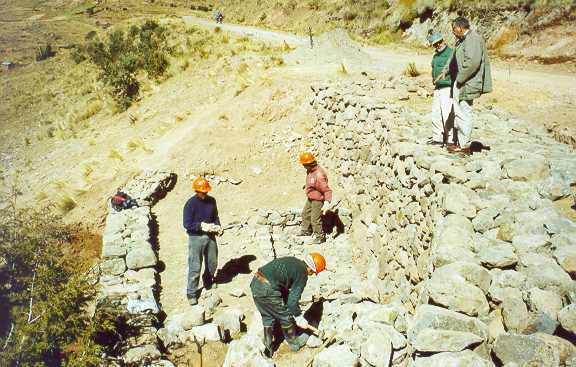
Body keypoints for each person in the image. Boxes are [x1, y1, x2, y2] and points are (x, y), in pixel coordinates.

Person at [250, 253, 327, 357]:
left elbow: (283, 286)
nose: (312, 274)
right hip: (267, 289)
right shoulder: (302, 274)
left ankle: (268, 348)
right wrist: (299, 317)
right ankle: (294, 343)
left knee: (267, 316)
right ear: (310, 269)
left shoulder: (294, 261)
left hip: (256, 283)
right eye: (313, 272)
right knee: (286, 316)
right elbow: (292, 303)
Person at [436, 16, 492, 149]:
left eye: (453, 29)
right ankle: (460, 142)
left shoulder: (472, 39)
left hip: (467, 83)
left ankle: (464, 144)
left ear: (459, 28)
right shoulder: (462, 40)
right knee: (459, 112)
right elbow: (453, 57)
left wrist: (460, 79)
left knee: (464, 112)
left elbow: (472, 63)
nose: (452, 32)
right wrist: (446, 70)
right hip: (461, 82)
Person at [183, 177, 222, 305]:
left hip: (210, 235)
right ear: (196, 191)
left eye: (206, 191)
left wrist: (217, 227)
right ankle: (191, 293)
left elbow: (215, 216)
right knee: (195, 266)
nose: (204, 194)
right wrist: (201, 226)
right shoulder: (190, 204)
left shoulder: (212, 201)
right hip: (196, 237)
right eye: (202, 192)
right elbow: (187, 224)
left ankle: (208, 281)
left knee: (212, 262)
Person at [298, 152, 333, 244]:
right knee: (305, 213)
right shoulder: (310, 171)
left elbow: (327, 190)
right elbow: (311, 180)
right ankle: (306, 230)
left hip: (318, 200)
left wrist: (327, 202)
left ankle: (320, 236)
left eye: (304, 165)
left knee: (315, 218)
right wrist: (308, 186)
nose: (303, 167)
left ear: (309, 164)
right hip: (311, 197)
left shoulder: (319, 175)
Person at [427, 31, 453, 145]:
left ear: (443, 40)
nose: (437, 45)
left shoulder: (451, 53)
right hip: (437, 87)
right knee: (436, 113)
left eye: (439, 42)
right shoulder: (435, 55)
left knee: (447, 113)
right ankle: (437, 138)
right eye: (435, 44)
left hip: (447, 87)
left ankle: (451, 139)